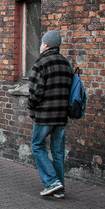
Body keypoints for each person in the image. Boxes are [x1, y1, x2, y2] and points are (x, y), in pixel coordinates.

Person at [28, 30, 73, 199]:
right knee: (58, 152)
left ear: (46, 44)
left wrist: (32, 108)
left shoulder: (41, 63)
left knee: (37, 146)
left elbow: (35, 92)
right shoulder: (65, 63)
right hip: (61, 116)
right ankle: (59, 189)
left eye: (42, 42)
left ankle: (52, 181)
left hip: (45, 115)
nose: (40, 45)